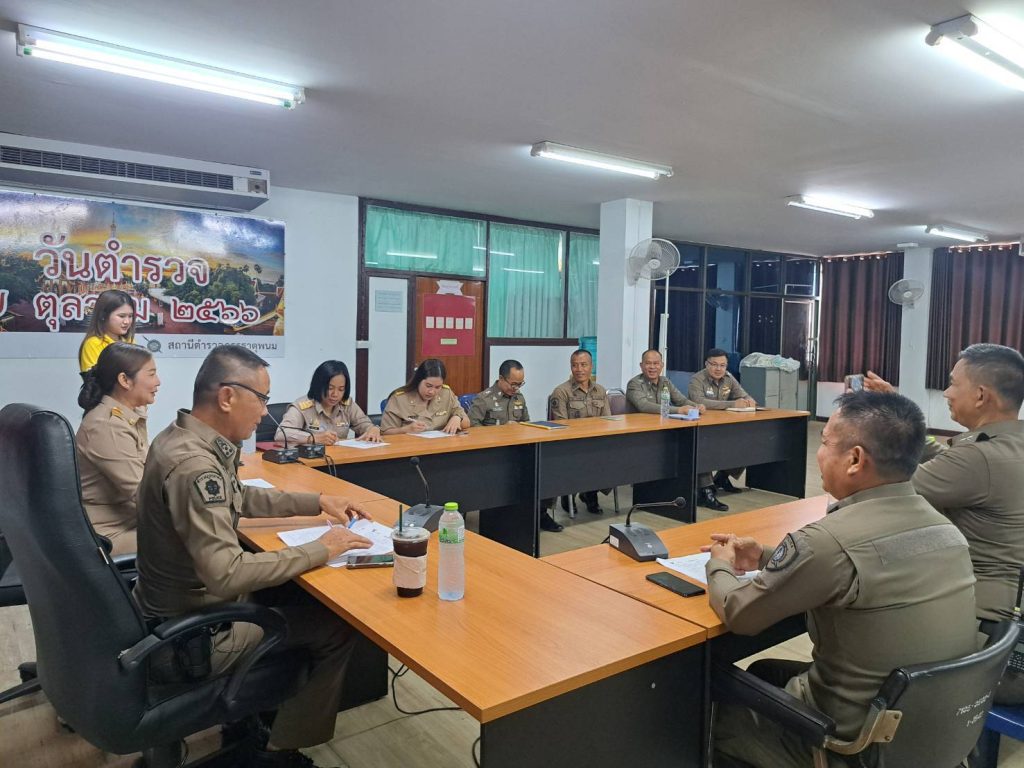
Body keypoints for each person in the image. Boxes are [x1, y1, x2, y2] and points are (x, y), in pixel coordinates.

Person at [133, 345, 374, 768]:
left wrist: (317, 500)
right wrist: (323, 548)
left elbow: (239, 497)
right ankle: (278, 753)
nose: (265, 412)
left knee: (295, 595)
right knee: (336, 628)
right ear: (227, 397)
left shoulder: (181, 438)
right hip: (194, 637)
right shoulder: (194, 466)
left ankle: (247, 719)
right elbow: (227, 574)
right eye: (261, 399)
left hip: (173, 613)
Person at [707, 391, 977, 768]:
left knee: (702, 720)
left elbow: (740, 613)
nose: (819, 453)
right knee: (765, 672)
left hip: (852, 744)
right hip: (930, 727)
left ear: (855, 460)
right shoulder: (945, 529)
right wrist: (766, 555)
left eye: (825, 442)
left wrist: (719, 565)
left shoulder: (828, 540)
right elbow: (864, 561)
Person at [864, 343, 1024, 703]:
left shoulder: (979, 459)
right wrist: (899, 407)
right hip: (1009, 631)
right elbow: (950, 464)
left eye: (953, 383)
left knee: (860, 622)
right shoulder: (1007, 445)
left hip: (990, 651)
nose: (947, 393)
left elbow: (886, 491)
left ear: (980, 395)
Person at [76, 342, 159, 556]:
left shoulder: (127, 417)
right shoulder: (106, 426)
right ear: (124, 380)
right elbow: (146, 496)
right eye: (151, 374)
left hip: (128, 521)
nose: (158, 382)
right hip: (107, 536)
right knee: (195, 541)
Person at [688, 348, 756, 511]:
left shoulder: (729, 378)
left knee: (748, 440)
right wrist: (732, 404)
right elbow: (700, 401)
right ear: (706, 364)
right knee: (702, 448)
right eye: (714, 364)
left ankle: (723, 477)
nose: (718, 369)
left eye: (722, 365)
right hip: (701, 426)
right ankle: (706, 491)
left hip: (723, 425)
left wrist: (749, 400)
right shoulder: (697, 379)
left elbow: (743, 395)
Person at [547, 348, 611, 517]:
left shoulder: (600, 390)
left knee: (615, 454)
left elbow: (608, 420)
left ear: (591, 366)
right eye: (575, 365)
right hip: (571, 442)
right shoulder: (561, 391)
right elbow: (561, 424)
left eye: (583, 365)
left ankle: (590, 492)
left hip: (595, 441)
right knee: (583, 455)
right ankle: (569, 494)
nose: (579, 369)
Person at [277, 360, 381, 444]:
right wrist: (313, 438)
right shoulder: (302, 406)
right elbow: (281, 434)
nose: (335, 394)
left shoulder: (347, 405)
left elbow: (364, 424)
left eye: (341, 389)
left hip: (341, 458)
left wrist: (373, 429)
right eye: (330, 388)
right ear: (319, 386)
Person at [380, 358, 469, 435]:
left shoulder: (446, 393)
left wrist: (457, 418)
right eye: (428, 386)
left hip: (440, 445)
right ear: (418, 380)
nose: (432, 392)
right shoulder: (400, 398)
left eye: (438, 387)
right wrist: (405, 430)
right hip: (410, 446)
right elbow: (385, 432)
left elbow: (467, 422)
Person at [625, 349, 705, 416]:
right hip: (641, 425)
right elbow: (643, 406)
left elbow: (681, 401)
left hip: (662, 423)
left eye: (656, 363)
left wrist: (696, 406)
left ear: (662, 365)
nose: (652, 367)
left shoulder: (665, 381)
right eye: (648, 363)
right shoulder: (634, 383)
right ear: (641, 365)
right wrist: (678, 410)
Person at [78, 289, 136, 372]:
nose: (127, 321)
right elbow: (94, 378)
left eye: (130, 316)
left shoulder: (130, 341)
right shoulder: (93, 344)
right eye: (121, 316)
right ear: (103, 316)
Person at [468, 359, 530, 427]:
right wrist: (501, 430)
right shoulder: (483, 399)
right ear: (501, 378)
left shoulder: (519, 397)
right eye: (513, 384)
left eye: (520, 384)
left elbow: (527, 423)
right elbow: (473, 426)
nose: (516, 388)